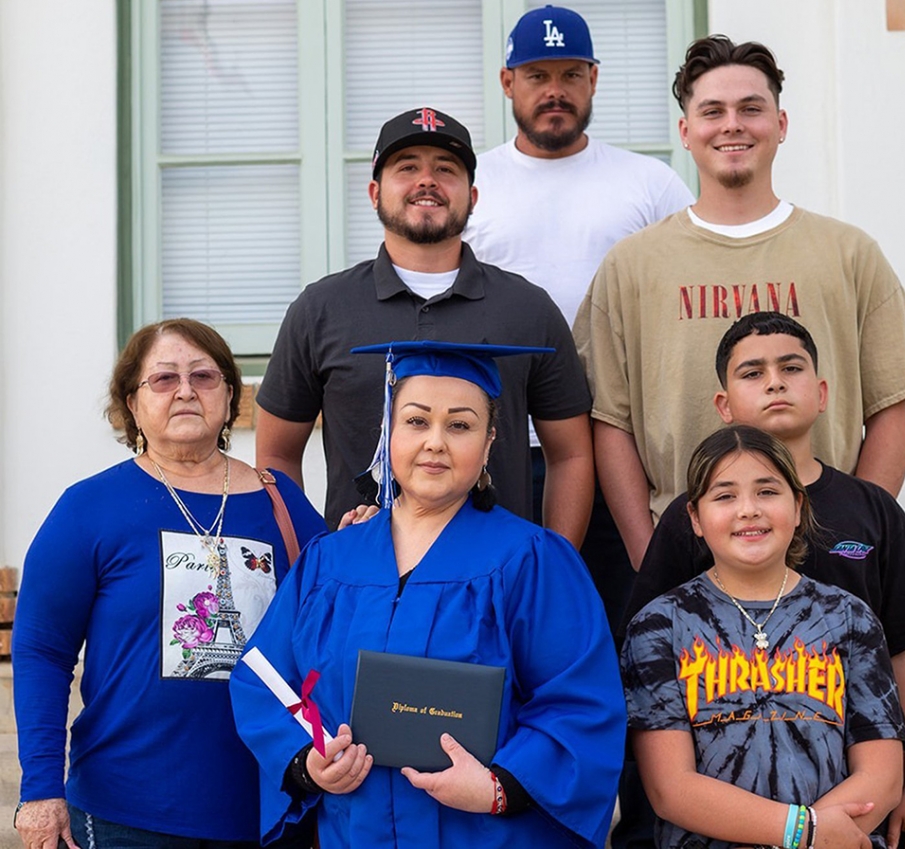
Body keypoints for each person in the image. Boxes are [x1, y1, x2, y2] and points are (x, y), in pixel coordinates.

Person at [230, 341, 627, 849]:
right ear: (387, 434)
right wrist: (308, 763)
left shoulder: (531, 560)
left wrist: (497, 786)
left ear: (488, 445)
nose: (435, 442)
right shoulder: (328, 562)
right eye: (417, 421)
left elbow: (579, 704)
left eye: (459, 425)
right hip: (353, 833)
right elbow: (263, 679)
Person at [573, 34, 905, 571]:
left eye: (751, 108)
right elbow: (611, 423)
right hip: (687, 553)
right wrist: (646, 551)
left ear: (781, 124)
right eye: (712, 111)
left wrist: (853, 537)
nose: (732, 125)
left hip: (825, 557)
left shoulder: (849, 253)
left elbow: (892, 405)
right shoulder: (631, 266)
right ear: (686, 131)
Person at [624, 312, 905, 849]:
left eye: (790, 368)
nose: (748, 511)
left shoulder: (871, 517)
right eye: (753, 372)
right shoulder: (667, 611)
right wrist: (801, 832)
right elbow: (664, 759)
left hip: (841, 803)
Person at [12, 319, 337, 849]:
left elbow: (332, 629)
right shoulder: (88, 509)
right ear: (132, 403)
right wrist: (42, 789)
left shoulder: (284, 506)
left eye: (204, 377)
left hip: (270, 803)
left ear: (231, 396)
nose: (186, 390)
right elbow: (41, 652)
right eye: (163, 379)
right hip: (128, 811)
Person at [255, 107, 594, 549]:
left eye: (445, 169)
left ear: (473, 196)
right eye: (407, 167)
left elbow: (570, 455)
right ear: (375, 192)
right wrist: (310, 562)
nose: (427, 180)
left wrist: (552, 563)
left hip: (500, 581)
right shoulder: (321, 309)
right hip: (361, 579)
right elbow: (277, 455)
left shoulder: (528, 309)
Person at [463, 2, 693, 638]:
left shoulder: (651, 184)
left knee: (619, 627)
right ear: (508, 83)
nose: (555, 91)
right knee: (499, 629)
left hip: (618, 449)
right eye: (538, 75)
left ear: (594, 78)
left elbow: (682, 309)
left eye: (570, 74)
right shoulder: (473, 183)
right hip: (498, 451)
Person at [622, 425, 905, 849]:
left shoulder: (850, 618)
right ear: (695, 519)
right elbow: (670, 788)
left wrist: (815, 838)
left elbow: (882, 778)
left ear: (797, 507)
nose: (748, 509)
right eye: (724, 496)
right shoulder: (660, 626)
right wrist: (801, 832)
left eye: (767, 492)